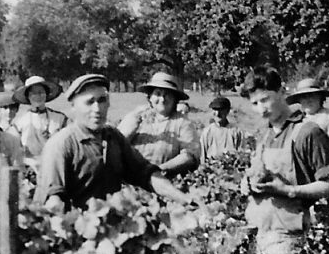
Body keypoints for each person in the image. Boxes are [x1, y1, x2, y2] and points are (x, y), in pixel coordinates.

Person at [239, 66, 329, 254]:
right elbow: (253, 173)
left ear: (282, 92)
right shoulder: (264, 134)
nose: (261, 109)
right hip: (259, 230)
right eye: (255, 103)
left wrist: (289, 190)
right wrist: (248, 184)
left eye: (265, 99)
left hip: (288, 236)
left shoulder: (308, 132)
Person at [35, 74, 194, 210]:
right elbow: (53, 200)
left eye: (102, 100)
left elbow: (144, 173)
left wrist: (184, 199)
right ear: (73, 107)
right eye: (89, 102)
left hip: (112, 230)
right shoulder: (61, 144)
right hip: (78, 234)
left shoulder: (113, 137)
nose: (97, 109)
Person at [117, 72, 199, 176]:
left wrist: (157, 170)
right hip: (131, 182)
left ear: (175, 99)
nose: (162, 99)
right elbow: (114, 148)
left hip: (165, 181)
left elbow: (189, 156)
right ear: (150, 97)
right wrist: (128, 132)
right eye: (158, 93)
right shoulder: (136, 117)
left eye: (167, 94)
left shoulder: (183, 123)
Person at [13, 76, 68, 161]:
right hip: (31, 167)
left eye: (41, 92)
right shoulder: (20, 122)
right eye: (33, 93)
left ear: (46, 94)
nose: (38, 96)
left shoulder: (59, 118)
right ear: (28, 96)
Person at [199, 96, 240, 161]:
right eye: (215, 110)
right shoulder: (207, 132)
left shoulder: (236, 131)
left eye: (221, 110)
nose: (218, 114)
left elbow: (240, 154)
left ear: (227, 111)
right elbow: (202, 157)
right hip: (210, 167)